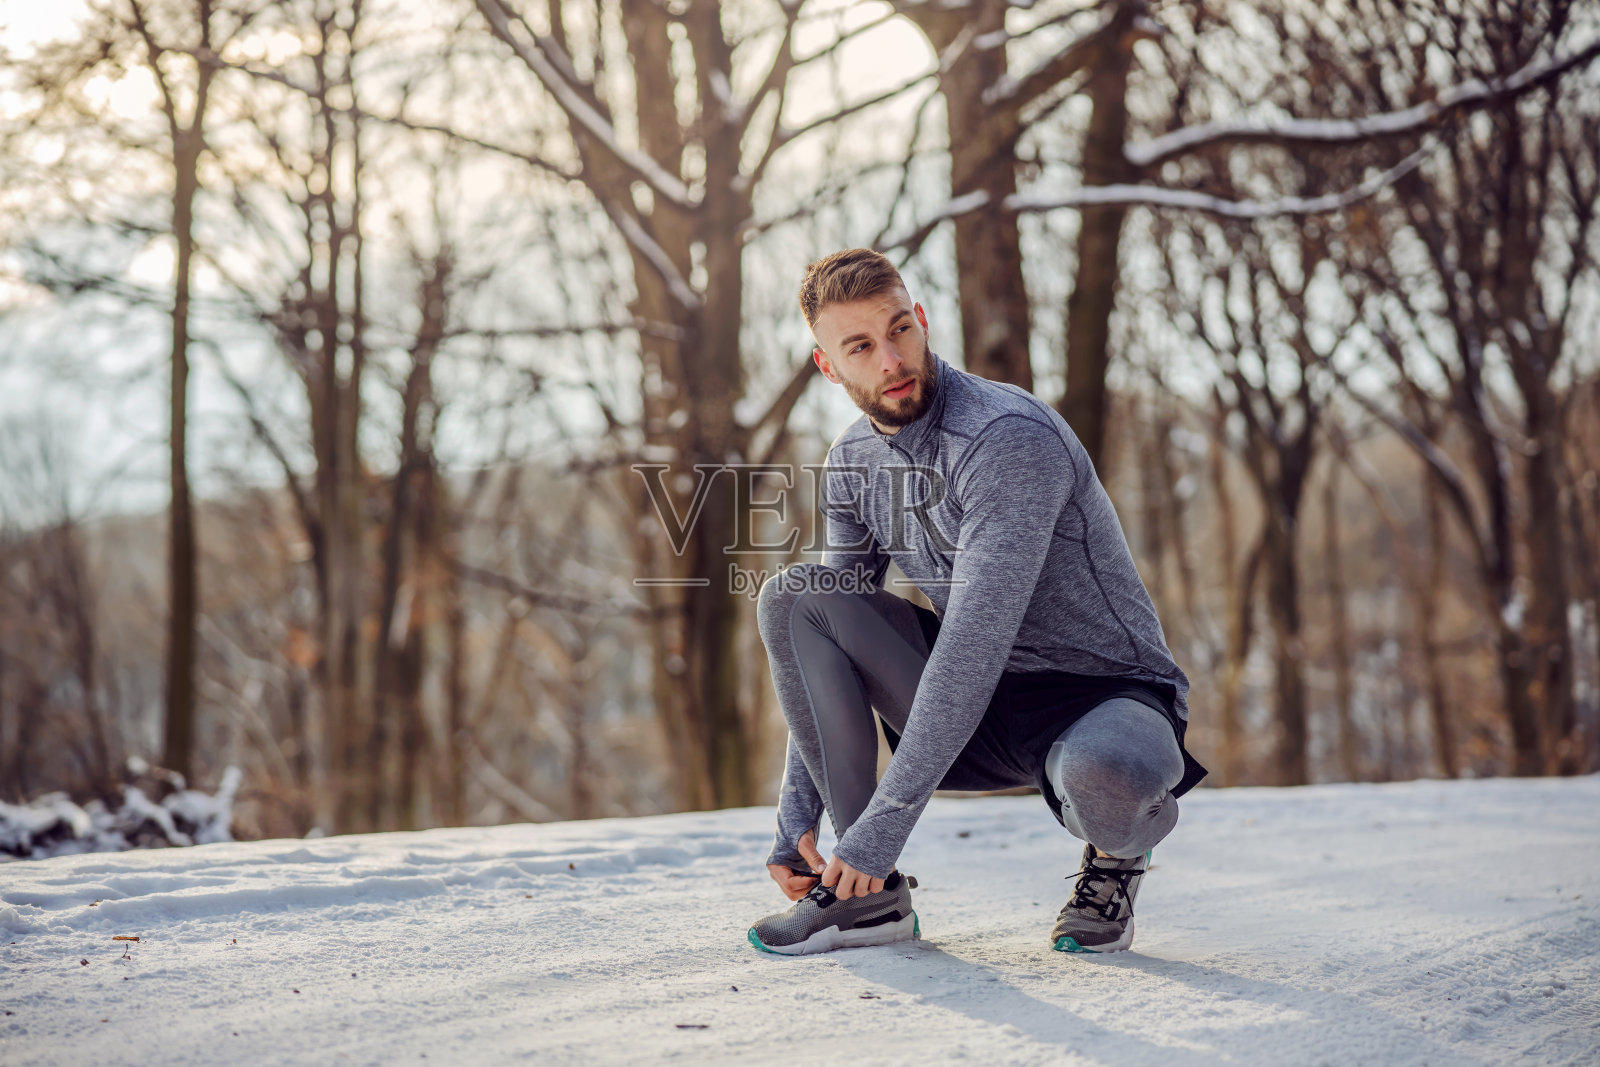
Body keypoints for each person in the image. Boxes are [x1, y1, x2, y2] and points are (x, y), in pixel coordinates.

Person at [746, 249, 1206, 957]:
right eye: (862, 346)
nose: (891, 359)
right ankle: (868, 896)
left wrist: (881, 828)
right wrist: (796, 816)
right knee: (795, 597)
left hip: (1103, 697)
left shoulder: (1005, 438)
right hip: (975, 708)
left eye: (900, 330)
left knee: (1102, 778)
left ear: (923, 321)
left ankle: (1117, 855)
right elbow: (819, 639)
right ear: (827, 366)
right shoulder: (853, 462)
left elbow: (972, 642)